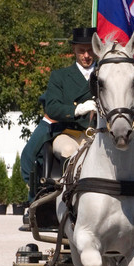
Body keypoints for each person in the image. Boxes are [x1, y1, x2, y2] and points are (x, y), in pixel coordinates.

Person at [20, 27, 97, 185]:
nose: (87, 55)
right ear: (74, 49)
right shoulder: (60, 76)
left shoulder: (105, 73)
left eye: (90, 50)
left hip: (99, 133)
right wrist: (77, 109)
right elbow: (53, 108)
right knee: (66, 151)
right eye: (82, 51)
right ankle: (66, 190)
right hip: (68, 133)